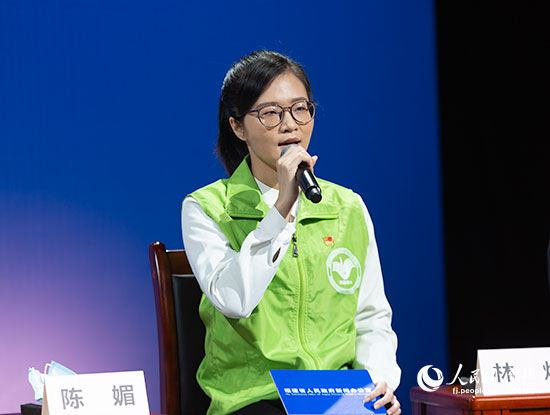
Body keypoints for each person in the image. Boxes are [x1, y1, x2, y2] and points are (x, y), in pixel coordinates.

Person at [181, 50, 401, 415]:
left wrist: (379, 382)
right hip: (257, 398)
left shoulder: (348, 207)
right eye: (271, 113)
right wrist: (281, 209)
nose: (290, 125)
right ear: (238, 126)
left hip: (339, 396)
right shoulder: (207, 208)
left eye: (300, 109)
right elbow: (234, 300)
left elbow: (371, 316)